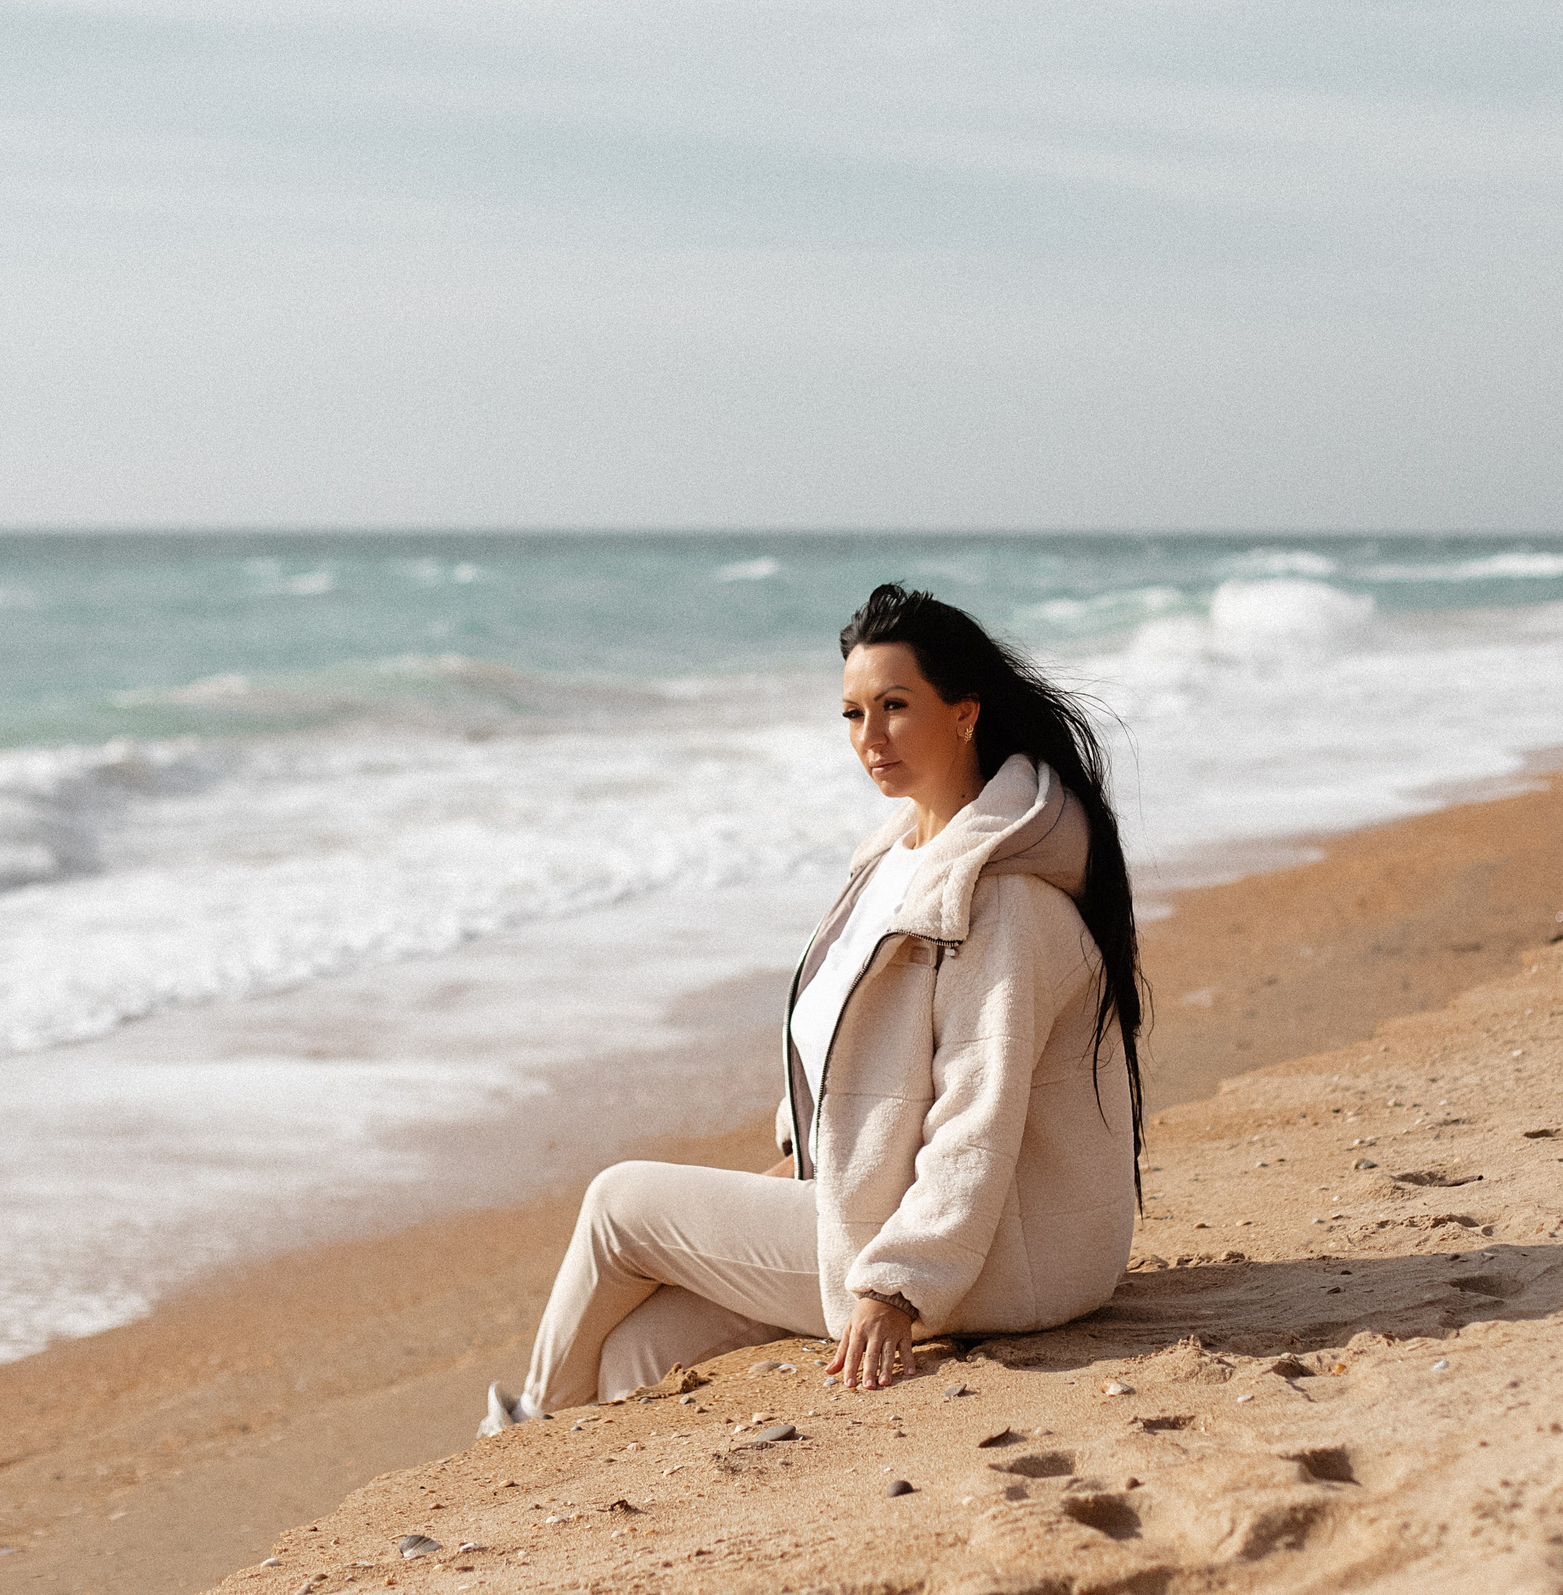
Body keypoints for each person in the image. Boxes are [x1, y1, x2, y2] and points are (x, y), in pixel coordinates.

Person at [481, 583, 1145, 1433]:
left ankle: (514, 1435)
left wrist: (897, 1288)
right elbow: (847, 1050)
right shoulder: (894, 860)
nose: (870, 737)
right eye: (853, 713)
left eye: (895, 706)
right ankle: (579, 1490)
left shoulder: (1004, 899)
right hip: (874, 1209)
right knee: (633, 1351)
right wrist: (799, 1161)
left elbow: (975, 1117)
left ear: (965, 712)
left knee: (618, 1205)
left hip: (1002, 1255)